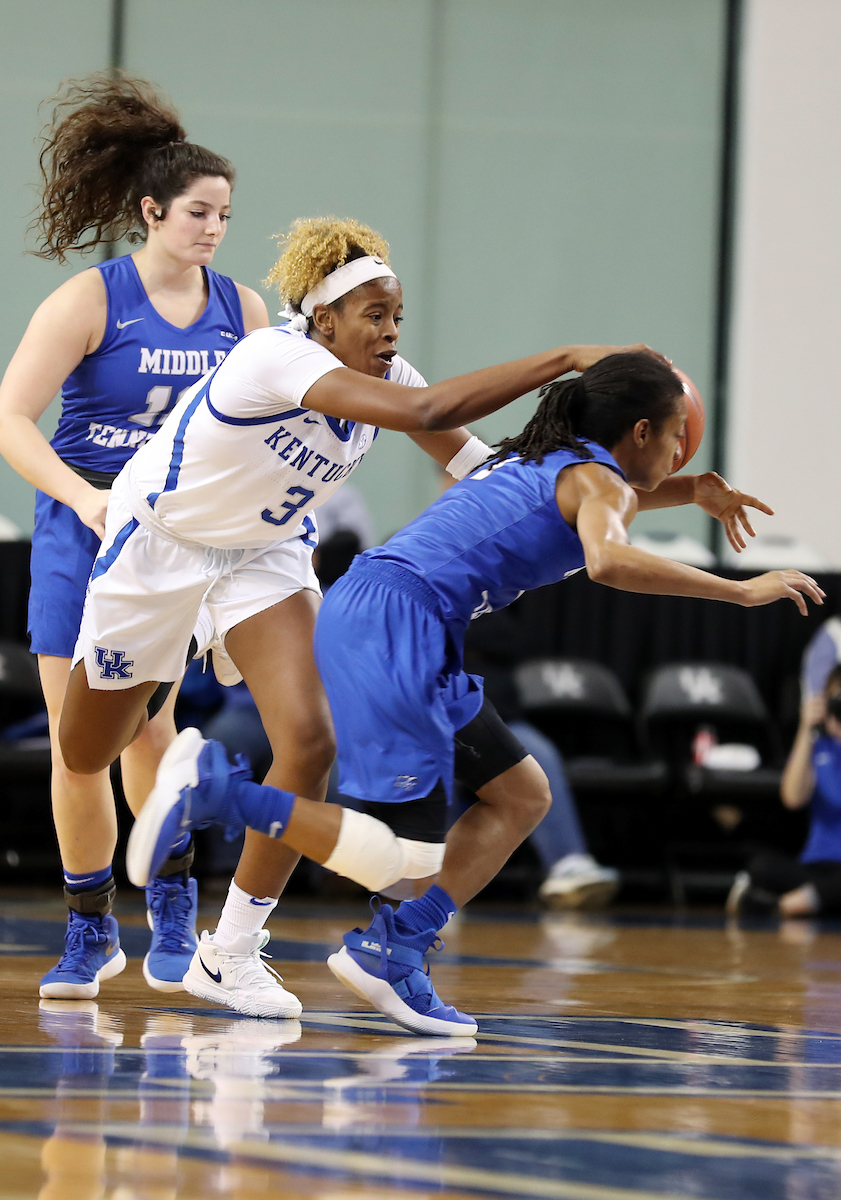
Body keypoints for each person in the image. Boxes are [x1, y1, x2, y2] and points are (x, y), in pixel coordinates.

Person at [125, 350, 824, 1036]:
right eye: (675, 439)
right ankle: (218, 793)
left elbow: (602, 498)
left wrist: (689, 489)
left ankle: (392, 947)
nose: (678, 455)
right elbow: (607, 556)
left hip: (394, 614)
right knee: (403, 861)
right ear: (639, 432)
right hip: (398, 623)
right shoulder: (600, 486)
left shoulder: (542, 455)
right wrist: (738, 589)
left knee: (522, 794)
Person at [55, 210, 640, 1014]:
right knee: (87, 752)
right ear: (322, 317)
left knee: (311, 739)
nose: (391, 331)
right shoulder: (272, 355)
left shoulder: (393, 379)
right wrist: (567, 358)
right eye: (375, 315)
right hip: (161, 545)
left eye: (398, 316)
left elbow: (486, 470)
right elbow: (431, 414)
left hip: (263, 557)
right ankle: (156, 697)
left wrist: (632, 488)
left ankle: (229, 951)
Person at [0, 73, 269, 999]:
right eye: (198, 212)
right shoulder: (92, 299)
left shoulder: (244, 313)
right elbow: (10, 419)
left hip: (179, 539)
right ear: (150, 211)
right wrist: (84, 498)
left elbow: (266, 435)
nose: (213, 229)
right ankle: (86, 927)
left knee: (152, 737)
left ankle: (169, 904)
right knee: (80, 743)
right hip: (87, 522)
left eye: (225, 215)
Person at [727, 665, 841, 917]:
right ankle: (815, 900)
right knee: (762, 866)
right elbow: (792, 798)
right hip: (816, 867)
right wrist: (805, 729)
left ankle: (781, 906)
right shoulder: (818, 748)